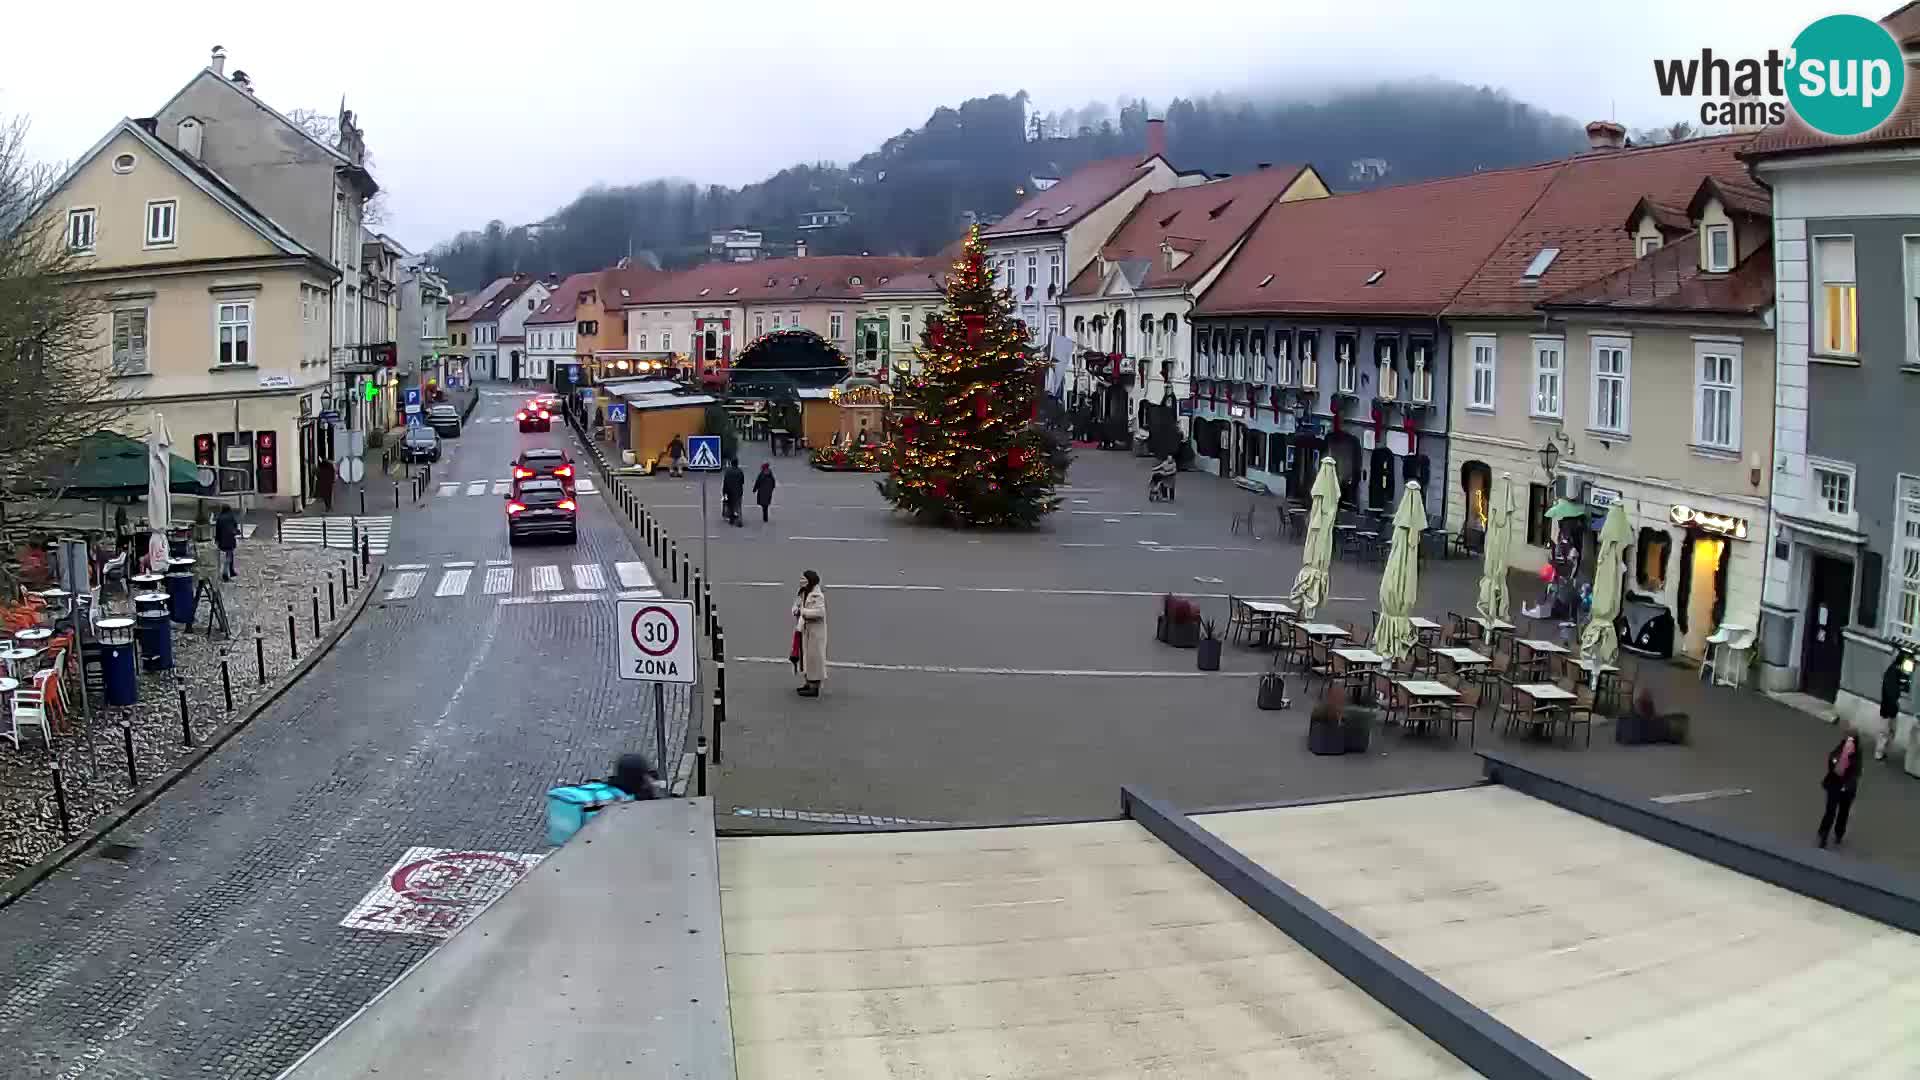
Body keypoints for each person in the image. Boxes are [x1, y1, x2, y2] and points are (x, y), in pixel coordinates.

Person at [1819, 733, 1863, 848]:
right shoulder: (1841, 748)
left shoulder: (1856, 755)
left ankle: (1838, 833)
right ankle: (1824, 833)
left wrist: (1847, 785)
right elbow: (1831, 758)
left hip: (1846, 789)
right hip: (1835, 784)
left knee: (1842, 812)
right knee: (1831, 811)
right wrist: (1835, 761)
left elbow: (1856, 773)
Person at [791, 570, 828, 697]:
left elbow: (820, 612)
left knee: (814, 658)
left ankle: (815, 687)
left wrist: (803, 612)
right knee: (806, 657)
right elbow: (796, 605)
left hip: (815, 632)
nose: (801, 581)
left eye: (803, 579)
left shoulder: (816, 595)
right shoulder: (803, 592)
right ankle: (808, 682)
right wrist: (796, 610)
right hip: (805, 629)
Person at [1875, 653, 1912, 761]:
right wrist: (1898, 692)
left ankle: (1882, 751)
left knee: (1890, 731)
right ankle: (1879, 753)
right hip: (1888, 708)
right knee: (1885, 731)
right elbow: (1892, 691)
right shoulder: (1892, 672)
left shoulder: (1895, 671)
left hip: (1890, 708)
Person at [214, 504, 240, 581]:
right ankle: (226, 573)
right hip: (230, 539)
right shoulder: (231, 517)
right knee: (229, 556)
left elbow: (217, 530)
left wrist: (217, 540)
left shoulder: (220, 518)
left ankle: (231, 571)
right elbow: (235, 526)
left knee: (228, 556)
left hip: (222, 540)